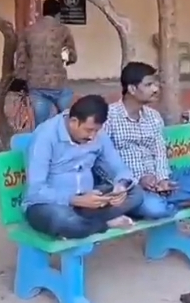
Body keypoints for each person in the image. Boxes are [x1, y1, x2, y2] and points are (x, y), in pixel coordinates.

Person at [103, 62, 190, 219]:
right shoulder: (109, 117)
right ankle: (174, 202)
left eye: (155, 84)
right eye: (149, 85)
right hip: (130, 188)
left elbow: (160, 152)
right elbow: (104, 161)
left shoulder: (153, 116)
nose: (155, 89)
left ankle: (166, 202)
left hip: (157, 182)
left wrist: (162, 179)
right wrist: (137, 180)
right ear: (132, 89)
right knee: (155, 209)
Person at [23, 94, 144, 239]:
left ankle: (84, 225)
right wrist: (75, 200)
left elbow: (119, 167)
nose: (92, 136)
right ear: (74, 122)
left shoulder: (98, 134)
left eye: (96, 131)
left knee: (136, 193)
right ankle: (105, 224)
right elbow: (36, 190)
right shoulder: (46, 136)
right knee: (62, 219)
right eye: (88, 130)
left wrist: (121, 186)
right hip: (50, 205)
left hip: (88, 203)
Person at [14, 0, 78, 126]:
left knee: (41, 125)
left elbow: (21, 59)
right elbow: (72, 57)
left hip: (36, 85)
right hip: (59, 84)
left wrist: (21, 81)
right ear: (58, 14)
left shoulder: (28, 31)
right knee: (66, 122)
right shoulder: (63, 31)